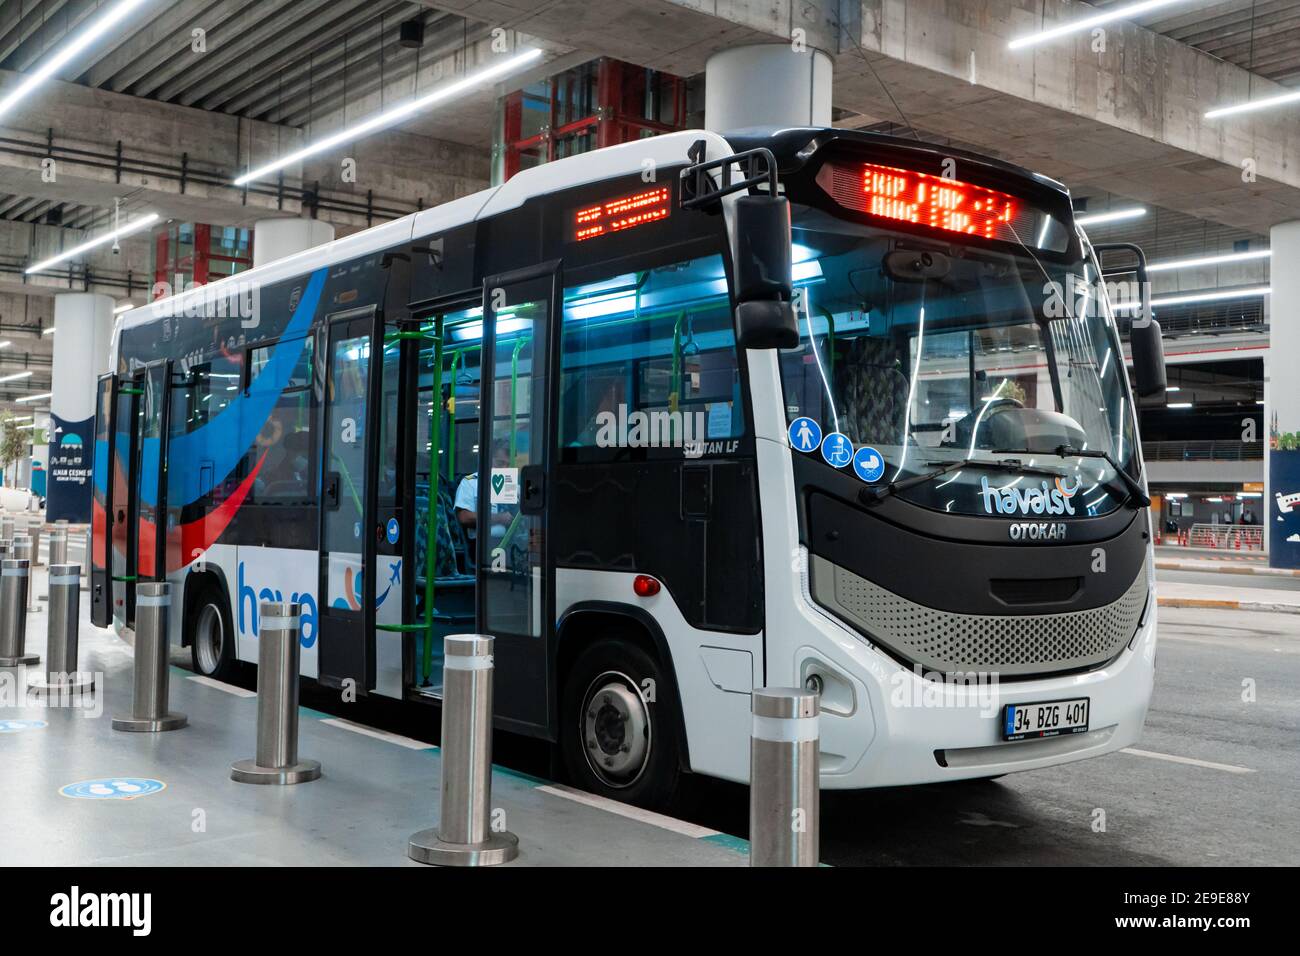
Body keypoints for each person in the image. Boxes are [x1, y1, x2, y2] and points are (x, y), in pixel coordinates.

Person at [454, 438, 514, 542]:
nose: (504, 468)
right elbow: (464, 517)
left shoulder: (511, 483)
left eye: (507, 465)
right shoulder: (470, 483)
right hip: (481, 543)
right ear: (487, 459)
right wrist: (499, 518)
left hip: (511, 540)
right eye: (500, 463)